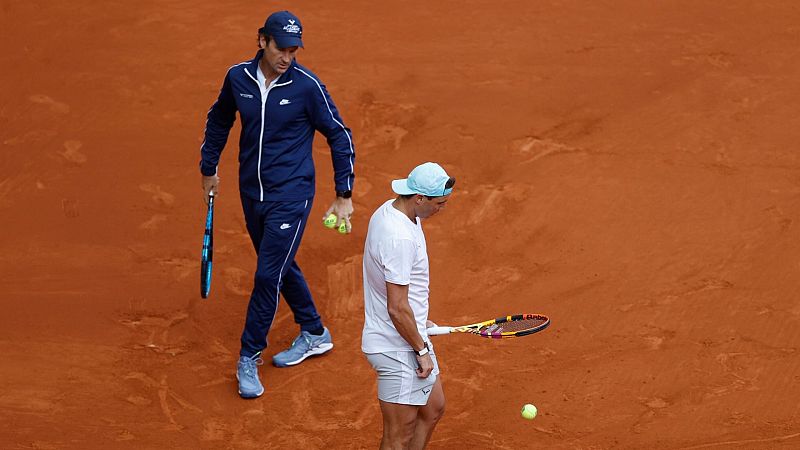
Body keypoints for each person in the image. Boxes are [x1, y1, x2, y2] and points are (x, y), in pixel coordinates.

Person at [198, 10, 355, 399]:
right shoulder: (238, 78)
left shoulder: (307, 87)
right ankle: (315, 332)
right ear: (262, 41)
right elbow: (219, 120)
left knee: (267, 275)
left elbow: (340, 136)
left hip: (292, 195)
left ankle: (248, 356)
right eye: (281, 48)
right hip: (252, 193)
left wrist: (343, 194)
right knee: (281, 265)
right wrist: (208, 168)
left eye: (293, 50)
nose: (288, 56)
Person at [362, 162, 455, 449]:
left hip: (407, 332)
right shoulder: (398, 237)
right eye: (439, 204)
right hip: (397, 346)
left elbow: (400, 297)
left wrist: (418, 319)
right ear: (419, 198)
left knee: (433, 408)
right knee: (397, 437)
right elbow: (396, 307)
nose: (441, 209)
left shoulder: (394, 210)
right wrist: (421, 349)